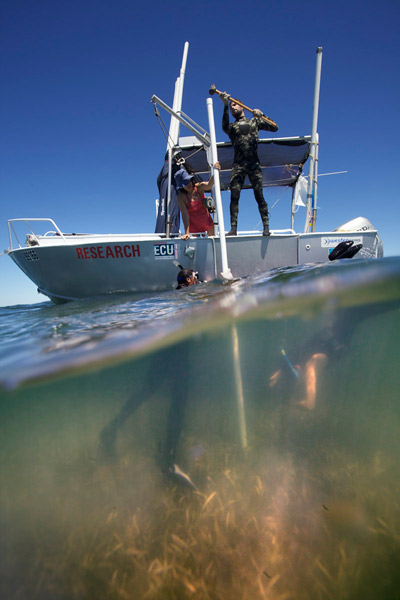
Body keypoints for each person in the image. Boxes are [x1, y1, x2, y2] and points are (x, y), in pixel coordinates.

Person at [219, 94, 278, 236]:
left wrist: (262, 115)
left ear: (242, 106)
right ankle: (233, 229)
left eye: (235, 105)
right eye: (231, 107)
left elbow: (274, 127)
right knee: (234, 195)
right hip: (238, 165)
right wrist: (225, 105)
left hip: (254, 164)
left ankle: (266, 227)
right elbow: (224, 126)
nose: (233, 108)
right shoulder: (232, 127)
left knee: (259, 195)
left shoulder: (254, 122)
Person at [175, 163, 220, 240]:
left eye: (188, 181)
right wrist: (186, 233)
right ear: (181, 186)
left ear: (191, 180)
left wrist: (217, 171)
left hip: (208, 224)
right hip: (193, 228)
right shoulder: (181, 197)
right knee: (197, 250)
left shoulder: (199, 187)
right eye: (184, 184)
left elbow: (209, 184)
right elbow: (185, 215)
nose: (187, 185)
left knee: (213, 245)